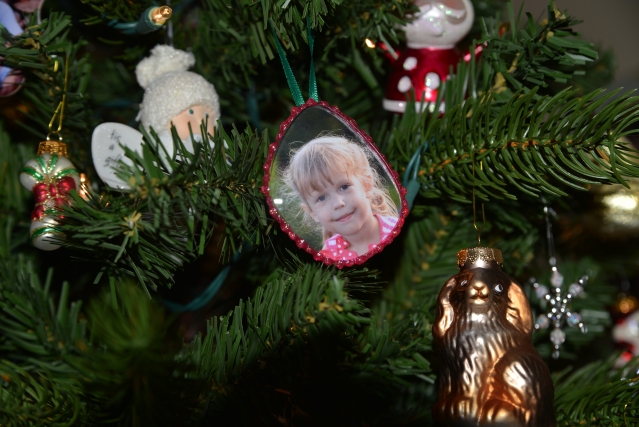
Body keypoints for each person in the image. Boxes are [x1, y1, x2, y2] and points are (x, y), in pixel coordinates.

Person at [283, 136, 399, 261]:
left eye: (344, 187)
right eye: (321, 198)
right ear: (312, 212)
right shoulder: (328, 262)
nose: (338, 203)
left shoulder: (399, 232)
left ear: (366, 185)